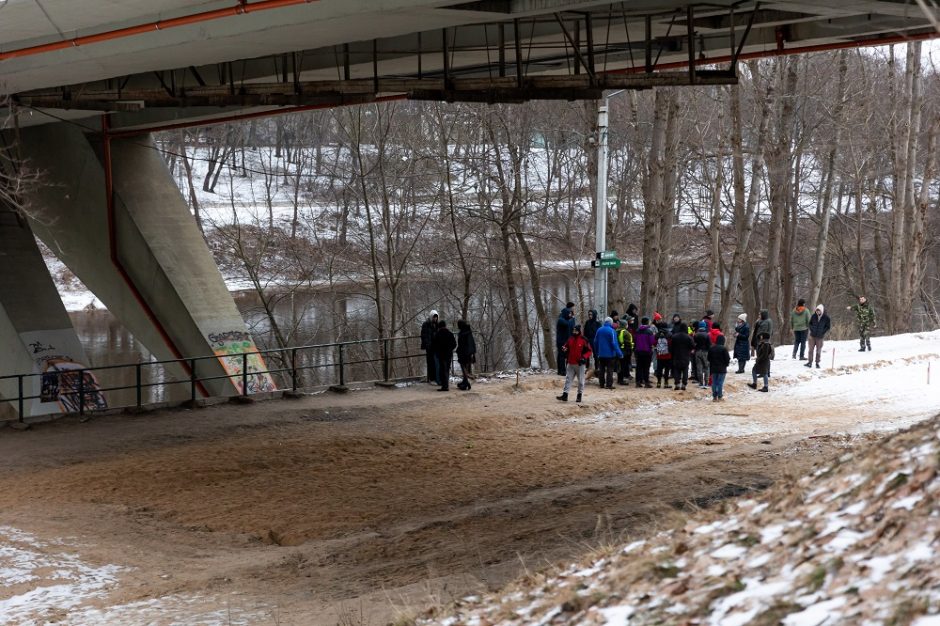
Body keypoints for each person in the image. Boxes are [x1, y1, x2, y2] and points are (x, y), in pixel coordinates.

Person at [557, 324, 592, 403]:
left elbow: (589, 351)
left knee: (580, 381)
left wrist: (584, 357)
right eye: (573, 330)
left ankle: (579, 395)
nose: (574, 332)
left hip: (580, 364)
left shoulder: (584, 339)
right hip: (570, 363)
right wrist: (564, 349)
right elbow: (565, 346)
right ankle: (565, 395)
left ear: (579, 331)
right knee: (568, 379)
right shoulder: (570, 339)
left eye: (575, 330)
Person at [593, 316, 623, 390]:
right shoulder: (612, 331)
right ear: (611, 323)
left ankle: (601, 383)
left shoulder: (599, 330)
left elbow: (595, 342)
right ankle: (609, 384)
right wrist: (619, 353)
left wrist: (597, 351)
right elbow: (614, 343)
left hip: (601, 354)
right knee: (610, 369)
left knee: (601, 369)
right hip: (610, 354)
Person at [432, 320, 457, 391]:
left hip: (441, 355)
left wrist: (437, 352)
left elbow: (434, 345)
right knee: (447, 369)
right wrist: (450, 349)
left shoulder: (437, 334)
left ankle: (444, 386)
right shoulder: (450, 334)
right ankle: (446, 385)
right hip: (449, 354)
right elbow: (454, 344)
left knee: (442, 370)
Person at [805, 304, 831, 368]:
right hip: (812, 336)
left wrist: (822, 332)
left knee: (818, 350)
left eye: (819, 311)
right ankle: (810, 362)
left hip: (820, 337)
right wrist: (812, 329)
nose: (817, 312)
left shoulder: (826, 318)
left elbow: (828, 327)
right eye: (816, 311)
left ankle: (817, 363)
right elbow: (810, 324)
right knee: (810, 350)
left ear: (821, 310)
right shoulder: (813, 316)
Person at [633, 317, 656, 389]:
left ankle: (638, 382)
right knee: (646, 367)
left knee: (639, 367)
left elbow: (635, 340)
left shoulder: (637, 330)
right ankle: (646, 382)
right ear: (647, 322)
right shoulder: (649, 331)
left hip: (638, 351)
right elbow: (652, 342)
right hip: (647, 351)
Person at [670, 323, 694, 391]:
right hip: (685, 356)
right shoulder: (688, 337)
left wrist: (672, 354)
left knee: (676, 370)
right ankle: (684, 384)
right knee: (685, 370)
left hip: (676, 355)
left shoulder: (674, 336)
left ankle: (677, 383)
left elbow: (671, 347)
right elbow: (692, 346)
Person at [708, 334, 731, 402]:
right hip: (722, 368)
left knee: (714, 382)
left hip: (713, 368)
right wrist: (726, 364)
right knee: (720, 383)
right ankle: (720, 396)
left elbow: (708, 358)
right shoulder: (724, 349)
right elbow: (727, 358)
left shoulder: (711, 348)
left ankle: (714, 397)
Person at [555, 303, 576, 375]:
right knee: (562, 356)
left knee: (567, 356)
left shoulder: (567, 319)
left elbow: (572, 327)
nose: (570, 315)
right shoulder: (561, 320)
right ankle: (562, 371)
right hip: (561, 341)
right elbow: (568, 324)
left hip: (567, 340)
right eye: (569, 313)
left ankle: (566, 370)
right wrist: (573, 318)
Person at [456, 319, 476, 390]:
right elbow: (472, 343)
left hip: (464, 353)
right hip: (468, 353)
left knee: (463, 367)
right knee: (465, 367)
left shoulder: (463, 333)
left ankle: (466, 382)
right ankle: (464, 382)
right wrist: (473, 353)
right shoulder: (468, 332)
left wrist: (459, 351)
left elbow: (462, 344)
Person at [420, 310, 440, 384]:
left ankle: (435, 378)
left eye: (436, 317)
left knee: (436, 363)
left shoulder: (437, 324)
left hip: (436, 347)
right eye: (434, 317)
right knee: (430, 362)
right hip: (430, 347)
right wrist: (428, 344)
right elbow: (424, 335)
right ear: (431, 317)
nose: (435, 319)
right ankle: (431, 378)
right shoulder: (426, 324)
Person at [693, 321, 712, 388]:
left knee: (699, 367)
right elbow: (709, 345)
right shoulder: (707, 335)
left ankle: (701, 383)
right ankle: (706, 383)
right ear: (704, 326)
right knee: (707, 367)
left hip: (697, 352)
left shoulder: (696, 334)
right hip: (705, 352)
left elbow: (694, 344)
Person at [583, 309, 601, 375]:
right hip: (588, 340)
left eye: (591, 314)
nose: (590, 316)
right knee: (586, 355)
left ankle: (597, 369)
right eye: (589, 314)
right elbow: (585, 332)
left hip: (595, 341)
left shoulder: (598, 323)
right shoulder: (587, 322)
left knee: (596, 355)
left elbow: (599, 333)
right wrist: (584, 340)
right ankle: (586, 368)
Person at [617, 320, 634, 384]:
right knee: (623, 365)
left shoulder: (616, 331)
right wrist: (630, 351)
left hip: (618, 351)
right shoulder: (626, 332)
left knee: (619, 366)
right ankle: (621, 380)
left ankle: (619, 379)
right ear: (624, 325)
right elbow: (628, 343)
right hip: (625, 351)